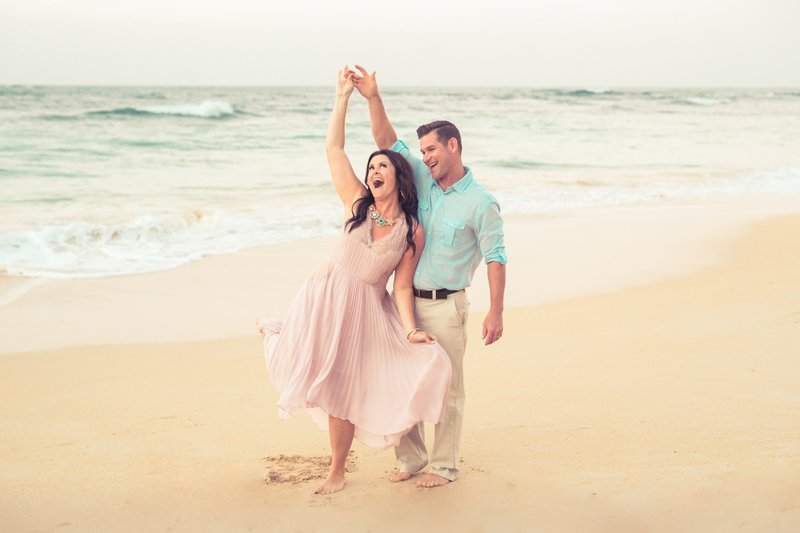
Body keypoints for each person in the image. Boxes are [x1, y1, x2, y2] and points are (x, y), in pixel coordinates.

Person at [256, 67, 452, 495]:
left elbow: (401, 286)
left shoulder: (411, 229)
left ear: (399, 178)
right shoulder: (357, 203)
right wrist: (342, 96)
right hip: (324, 295)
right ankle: (278, 333)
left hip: (364, 309)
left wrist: (412, 328)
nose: (375, 170)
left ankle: (337, 470)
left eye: (383, 165)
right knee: (308, 365)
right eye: (372, 166)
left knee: (342, 385)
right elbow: (333, 148)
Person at [351, 65, 507, 488]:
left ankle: (443, 466)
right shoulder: (420, 176)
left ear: (453, 146)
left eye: (432, 149)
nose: (425, 157)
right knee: (402, 383)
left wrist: (496, 311)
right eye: (421, 151)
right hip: (404, 303)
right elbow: (385, 142)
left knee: (447, 390)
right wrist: (372, 98)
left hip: (447, 305)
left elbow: (495, 257)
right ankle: (413, 458)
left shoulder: (481, 203)